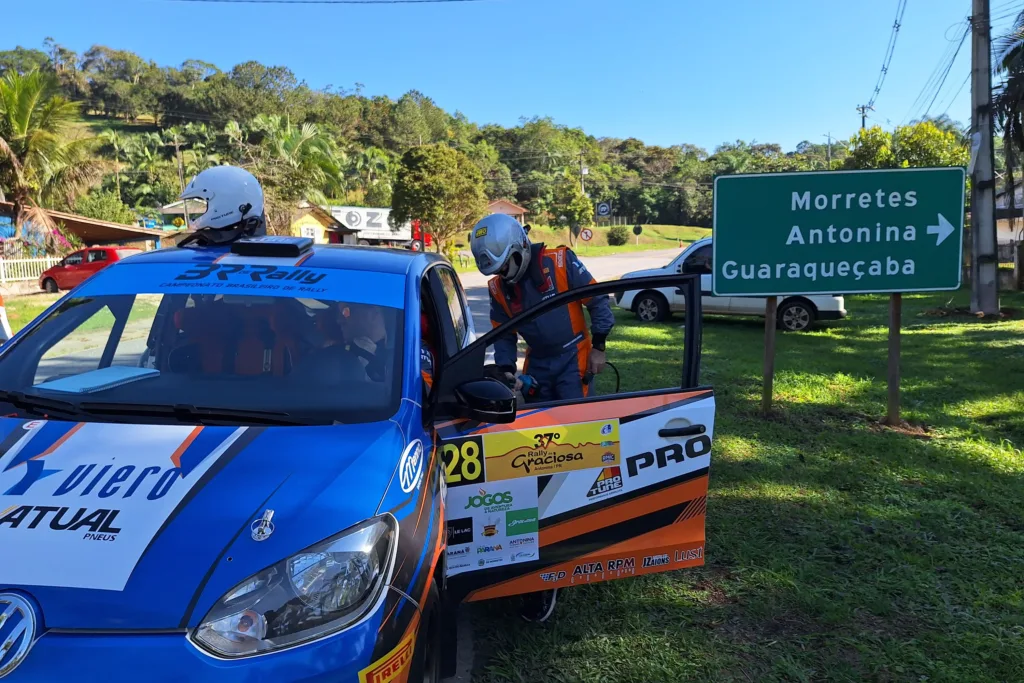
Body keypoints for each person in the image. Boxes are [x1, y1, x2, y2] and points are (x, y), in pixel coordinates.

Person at [469, 213, 614, 623]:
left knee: (574, 446)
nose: (505, 277)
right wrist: (507, 374)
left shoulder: (560, 262)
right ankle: (532, 533)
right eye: (497, 271)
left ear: (519, 248)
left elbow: (599, 300)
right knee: (533, 449)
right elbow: (502, 335)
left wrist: (599, 345)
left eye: (507, 266)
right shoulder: (499, 287)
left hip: (574, 356)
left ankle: (570, 539)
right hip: (538, 364)